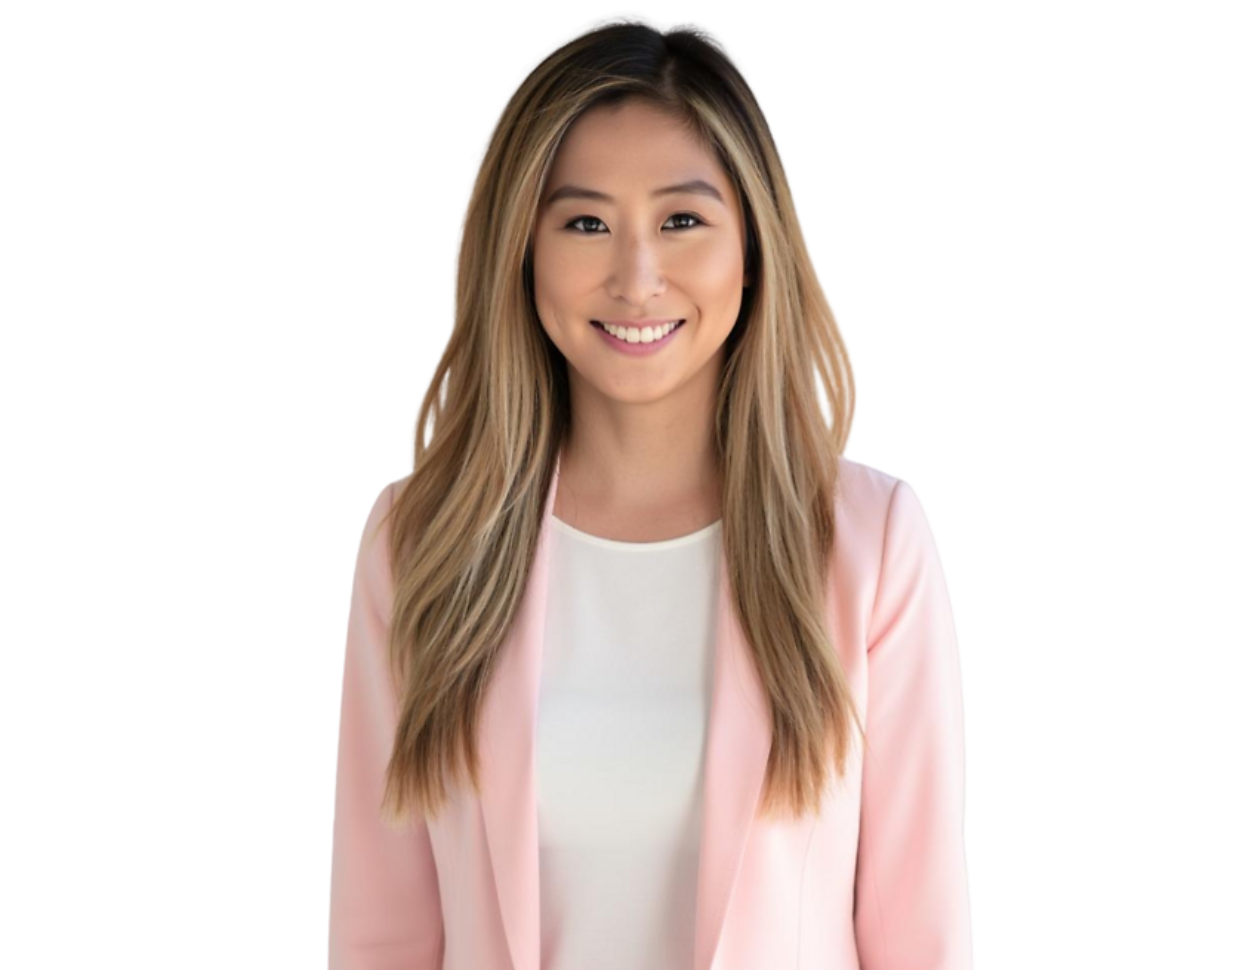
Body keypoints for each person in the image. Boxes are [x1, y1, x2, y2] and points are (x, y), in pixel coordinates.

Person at [329, 13, 972, 970]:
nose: (637, 278)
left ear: (751, 246)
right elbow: (382, 940)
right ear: (525, 248)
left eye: (682, 220)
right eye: (585, 222)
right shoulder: (418, 541)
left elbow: (919, 942)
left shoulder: (873, 544)